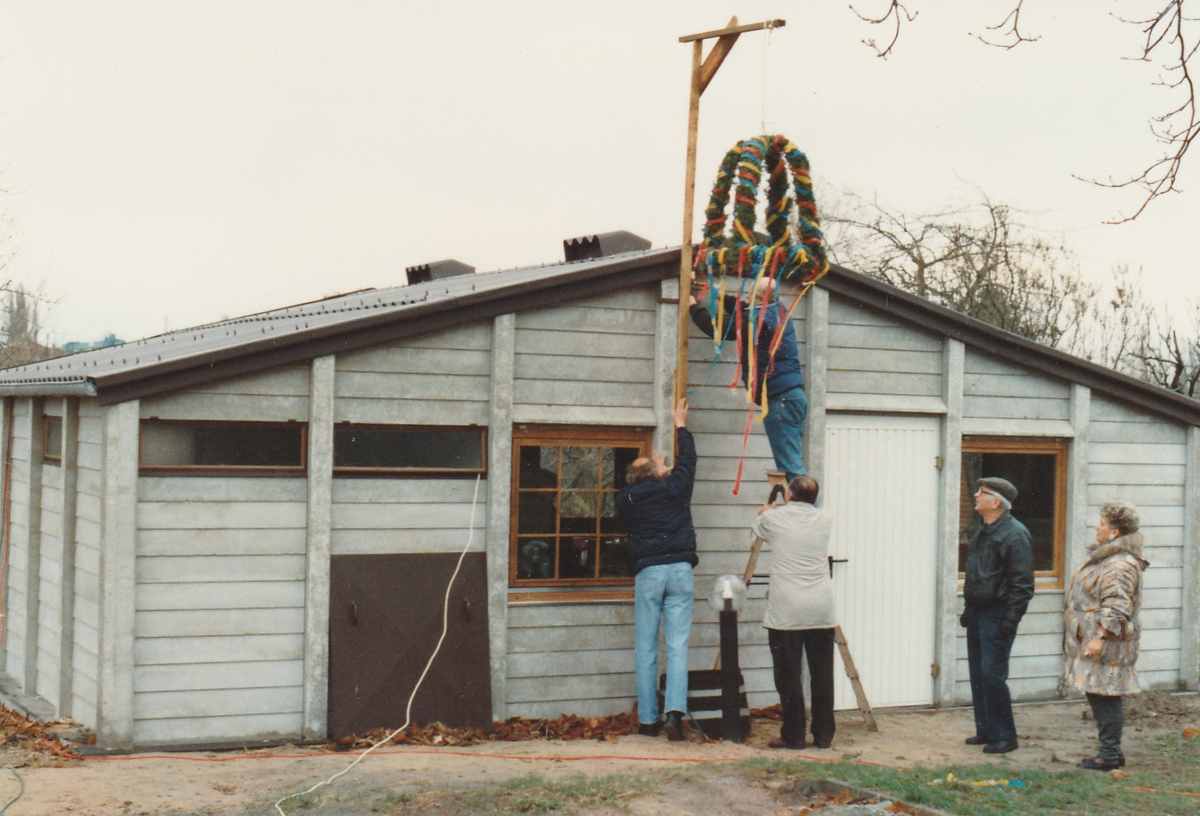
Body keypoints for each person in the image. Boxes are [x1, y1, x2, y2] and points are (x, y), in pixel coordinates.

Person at [618, 399, 697, 740]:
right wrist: (680, 425)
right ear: (655, 473)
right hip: (679, 569)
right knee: (678, 645)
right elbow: (689, 462)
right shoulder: (673, 488)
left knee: (646, 645)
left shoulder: (626, 499)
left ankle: (648, 720)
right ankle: (675, 714)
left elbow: (645, 484)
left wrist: (657, 469)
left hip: (649, 572)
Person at [689, 278, 807, 480]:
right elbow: (743, 311)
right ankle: (802, 506)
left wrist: (693, 307)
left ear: (758, 296)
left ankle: (803, 510)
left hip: (781, 402)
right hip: (792, 398)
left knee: (791, 469)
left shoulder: (758, 320)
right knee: (792, 463)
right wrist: (718, 295)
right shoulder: (778, 309)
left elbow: (720, 328)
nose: (747, 296)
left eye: (751, 293)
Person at [752, 475, 836, 749]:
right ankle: (823, 735)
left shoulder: (774, 519)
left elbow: (758, 528)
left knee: (788, 675)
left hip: (787, 610)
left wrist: (766, 510)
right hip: (821, 608)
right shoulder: (825, 519)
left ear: (789, 494)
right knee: (822, 674)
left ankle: (794, 735)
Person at [1063, 501, 1149, 771]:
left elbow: (1117, 606)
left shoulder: (1119, 565)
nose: (1097, 529)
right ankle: (1111, 752)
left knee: (1106, 695)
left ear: (1114, 533)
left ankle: (1109, 755)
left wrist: (1099, 638)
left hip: (1108, 643)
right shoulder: (1108, 559)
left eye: (1102, 524)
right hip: (1095, 638)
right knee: (1099, 694)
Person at [960, 477, 1034, 754]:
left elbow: (1023, 585)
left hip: (998, 614)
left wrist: (1010, 620)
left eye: (982, 492)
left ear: (996, 502)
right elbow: (976, 575)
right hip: (979, 612)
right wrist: (969, 609)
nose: (976, 495)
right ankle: (987, 731)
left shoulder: (1015, 535)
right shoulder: (983, 530)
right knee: (978, 674)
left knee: (993, 675)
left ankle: (1005, 736)